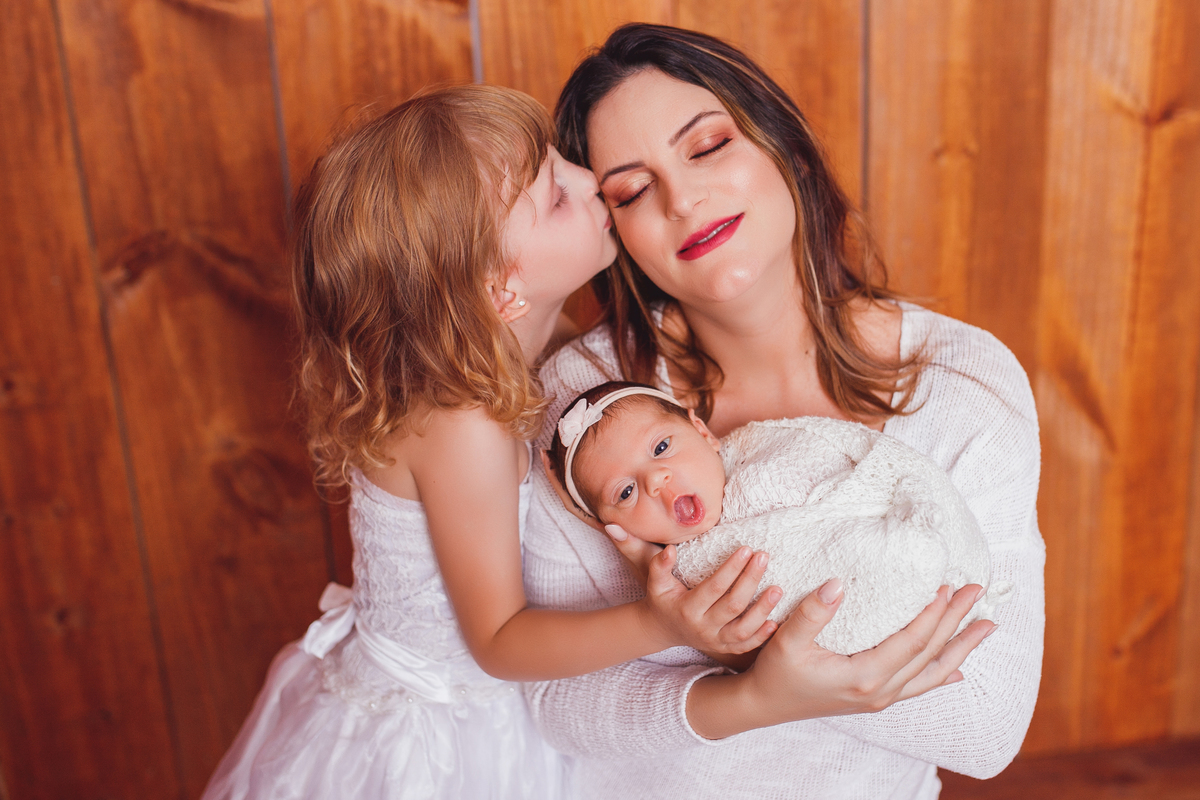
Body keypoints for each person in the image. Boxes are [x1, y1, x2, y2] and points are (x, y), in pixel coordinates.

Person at [201, 85, 783, 800]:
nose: (586, 177)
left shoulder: (527, 351)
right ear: (501, 290)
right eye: (556, 196)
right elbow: (499, 640)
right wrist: (657, 621)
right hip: (441, 739)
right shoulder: (461, 422)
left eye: (560, 162)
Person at [522, 23, 1044, 799]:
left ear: (786, 148)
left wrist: (753, 654)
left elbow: (986, 728)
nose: (683, 198)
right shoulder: (580, 407)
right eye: (633, 189)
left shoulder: (959, 384)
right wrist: (751, 700)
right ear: (616, 229)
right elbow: (550, 705)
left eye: (706, 146)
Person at [546, 380, 1009, 656]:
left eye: (661, 448)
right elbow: (747, 640)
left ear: (703, 432)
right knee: (900, 560)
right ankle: (904, 561)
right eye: (626, 492)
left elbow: (850, 460)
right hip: (859, 587)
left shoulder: (763, 452)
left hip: (878, 515)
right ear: (618, 527)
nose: (656, 480)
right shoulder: (687, 576)